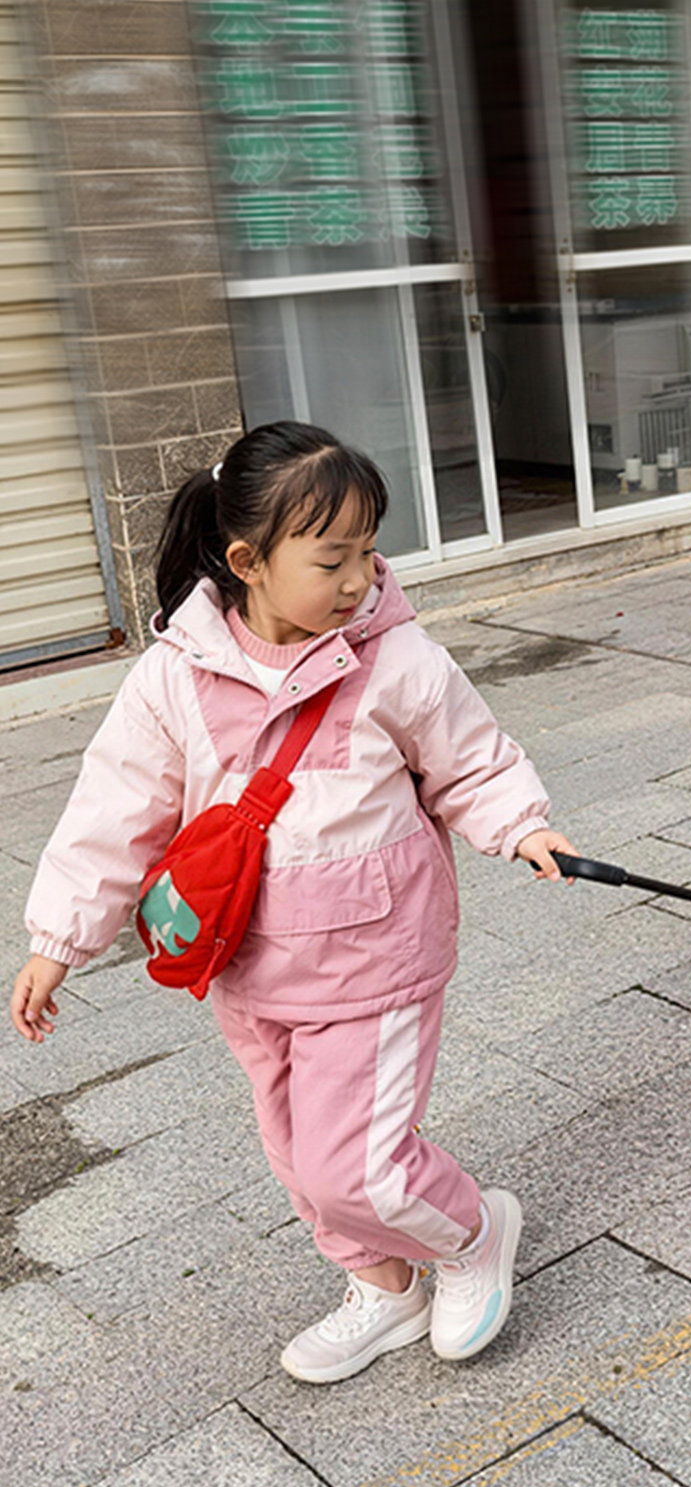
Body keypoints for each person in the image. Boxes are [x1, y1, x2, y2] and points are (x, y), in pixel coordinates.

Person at [8, 421, 577, 1386]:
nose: (360, 580)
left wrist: (522, 824)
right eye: (332, 559)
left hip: (377, 959)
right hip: (252, 967)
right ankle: (385, 1285)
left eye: (367, 551)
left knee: (355, 1164)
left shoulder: (394, 659)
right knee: (295, 1157)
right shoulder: (175, 677)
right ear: (248, 562)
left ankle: (474, 1232)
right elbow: (115, 810)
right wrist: (57, 938)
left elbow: (468, 757)